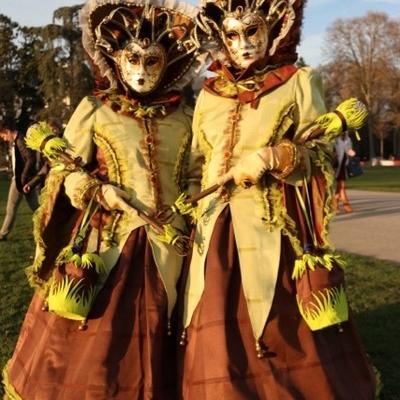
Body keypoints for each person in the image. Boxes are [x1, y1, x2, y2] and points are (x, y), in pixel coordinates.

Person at [177, 0, 376, 398]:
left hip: (272, 230)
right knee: (213, 323)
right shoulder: (210, 95)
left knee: (279, 329)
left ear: (273, 29)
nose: (243, 43)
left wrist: (273, 156)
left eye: (252, 31)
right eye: (232, 34)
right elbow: (197, 162)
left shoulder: (298, 81)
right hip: (212, 232)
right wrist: (189, 198)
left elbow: (318, 154)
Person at [3, 0, 200, 398]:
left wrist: (189, 201)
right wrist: (97, 190)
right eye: (133, 60)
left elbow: (197, 172)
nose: (141, 72)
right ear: (116, 58)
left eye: (152, 61)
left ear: (169, 63)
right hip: (109, 241)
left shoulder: (185, 117)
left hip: (173, 244)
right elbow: (65, 169)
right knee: (101, 334)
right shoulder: (95, 108)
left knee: (169, 328)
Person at [0, 128, 39, 241]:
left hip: (20, 180)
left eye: (3, 136)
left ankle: (2, 234)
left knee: (11, 207)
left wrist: (22, 176)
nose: (4, 139)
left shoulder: (20, 140)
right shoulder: (17, 141)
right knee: (36, 208)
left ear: (7, 131)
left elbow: (31, 159)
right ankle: (50, 224)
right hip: (25, 179)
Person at [334, 132, 356, 213]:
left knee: (340, 186)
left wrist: (353, 154)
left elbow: (349, 150)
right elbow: (333, 151)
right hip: (337, 166)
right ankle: (346, 206)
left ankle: (336, 206)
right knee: (341, 186)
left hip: (344, 165)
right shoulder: (335, 140)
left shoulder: (348, 140)